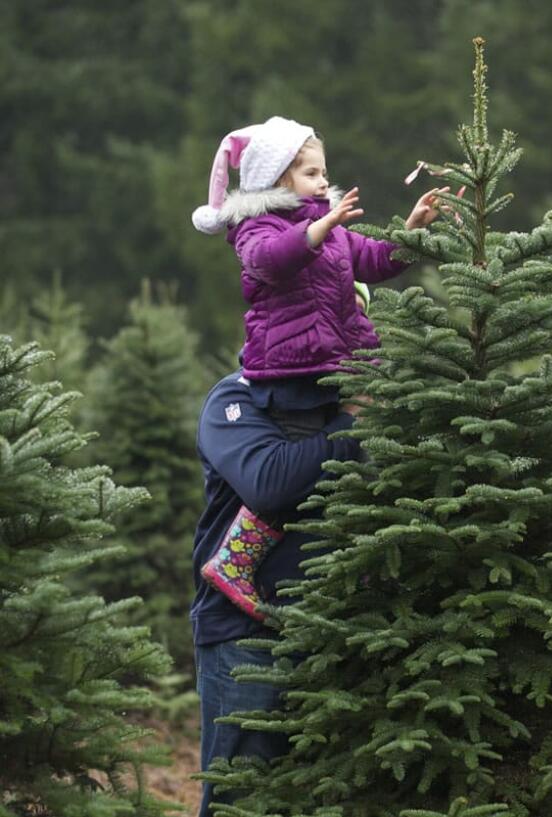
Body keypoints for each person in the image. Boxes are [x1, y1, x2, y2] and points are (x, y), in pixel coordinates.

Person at [190, 115, 452, 615]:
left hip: (335, 363)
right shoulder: (256, 226)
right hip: (291, 371)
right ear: (278, 178)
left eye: (323, 171)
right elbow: (269, 261)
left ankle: (354, 561)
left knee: (345, 463)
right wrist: (315, 230)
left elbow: (374, 260)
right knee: (300, 475)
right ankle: (237, 561)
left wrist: (411, 233)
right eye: (311, 173)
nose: (323, 182)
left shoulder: (330, 228)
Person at [190, 371, 364, 815]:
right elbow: (269, 480)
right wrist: (349, 423)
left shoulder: (357, 401)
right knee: (243, 797)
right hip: (245, 637)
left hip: (346, 634)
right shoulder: (236, 396)